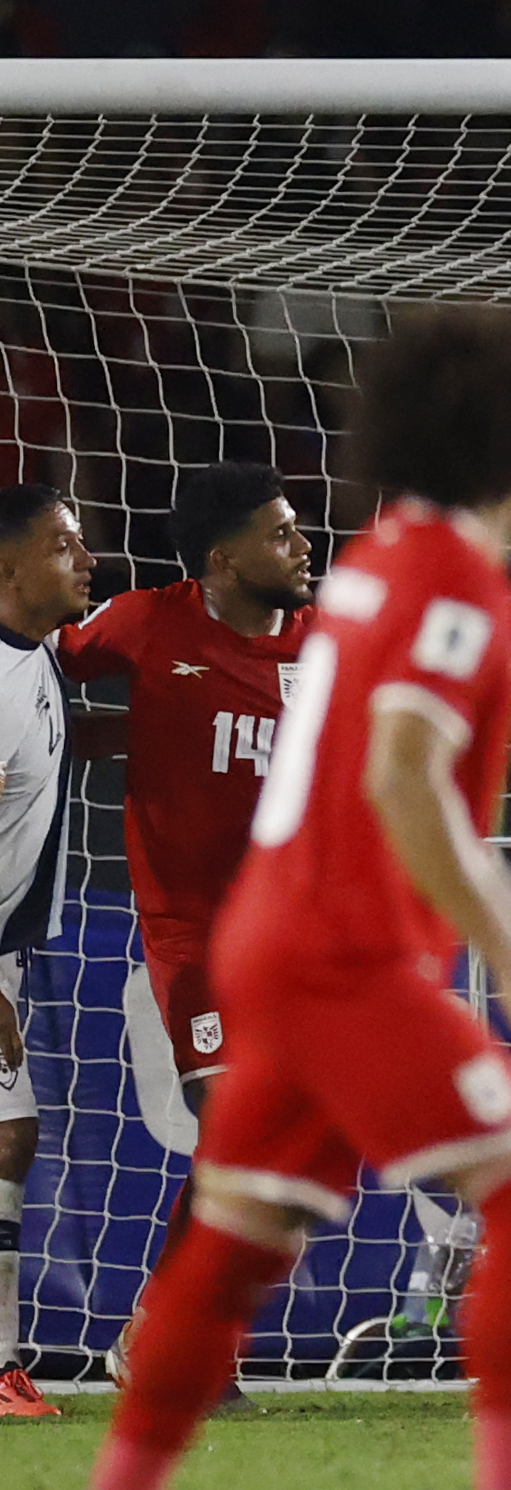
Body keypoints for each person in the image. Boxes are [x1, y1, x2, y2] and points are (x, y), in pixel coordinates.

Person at [87, 306, 511, 1490]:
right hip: (339, 954)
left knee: (234, 1242)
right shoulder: (450, 582)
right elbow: (403, 773)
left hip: (269, 933)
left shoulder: (369, 572)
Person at [53, 462, 317, 1398]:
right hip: (193, 932)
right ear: (221, 558)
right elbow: (44, 664)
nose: (303, 546)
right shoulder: (147, 621)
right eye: (281, 534)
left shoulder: (330, 645)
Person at [0, 483, 89, 1419]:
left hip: (8, 952)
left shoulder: (40, 653)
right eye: (65, 545)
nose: (87, 559)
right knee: (8, 1135)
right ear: (9, 566)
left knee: (9, 1136)